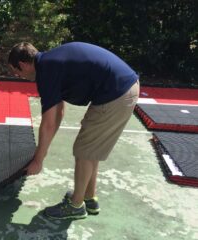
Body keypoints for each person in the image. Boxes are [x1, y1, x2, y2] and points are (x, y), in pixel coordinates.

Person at [8, 42, 139, 219]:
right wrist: (41, 154)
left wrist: (38, 160)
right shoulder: (51, 62)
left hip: (115, 93)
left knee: (84, 151)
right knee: (90, 149)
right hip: (121, 88)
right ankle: (89, 198)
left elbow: (48, 123)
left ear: (23, 64)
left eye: (16, 71)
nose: (18, 76)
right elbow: (58, 112)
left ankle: (76, 206)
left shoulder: (47, 70)